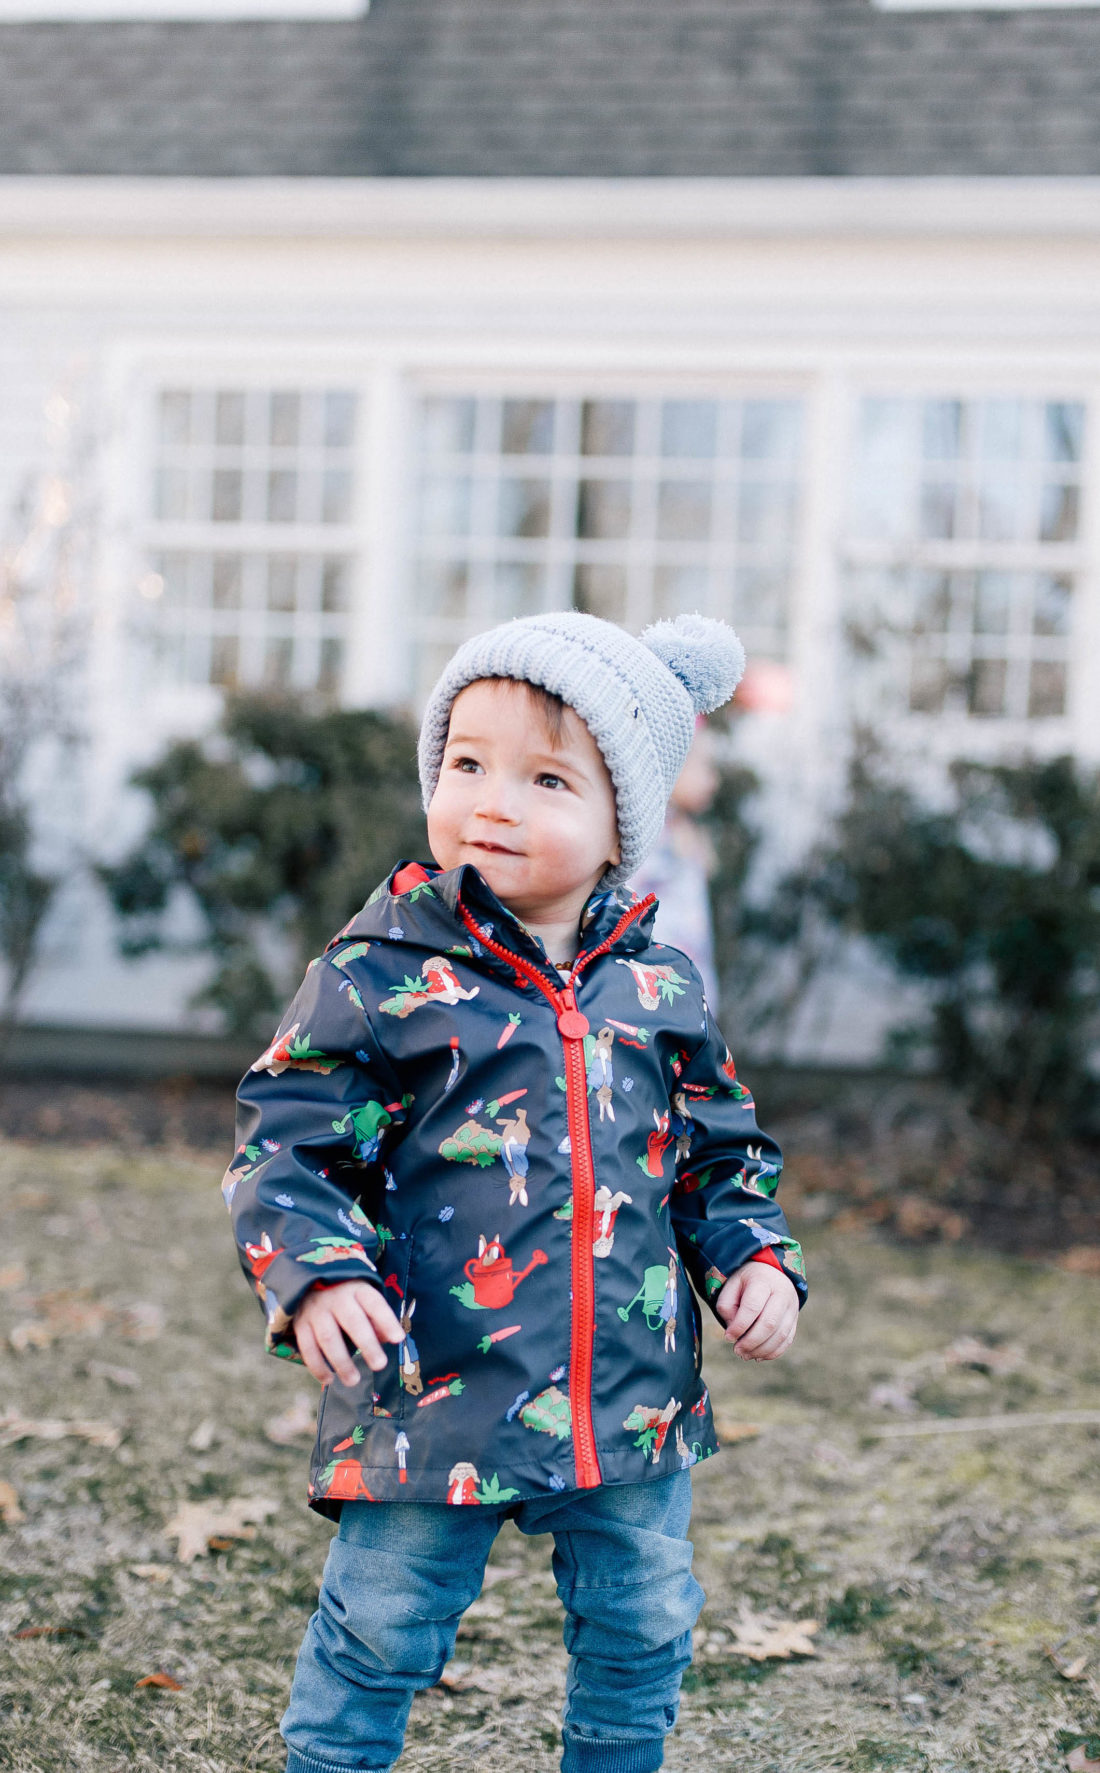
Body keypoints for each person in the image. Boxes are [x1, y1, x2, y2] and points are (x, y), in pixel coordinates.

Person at [223, 609, 806, 1773]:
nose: (491, 799)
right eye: (465, 763)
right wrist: (315, 1274)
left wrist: (751, 1256)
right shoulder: (378, 972)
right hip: (429, 1387)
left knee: (641, 1626)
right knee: (381, 1630)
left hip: (627, 1401)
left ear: (616, 825)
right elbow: (286, 1138)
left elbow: (716, 1150)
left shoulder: (657, 987)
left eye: (545, 778)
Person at [629, 719, 721, 1010]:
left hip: (687, 979)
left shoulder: (683, 830)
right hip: (654, 983)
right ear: (672, 763)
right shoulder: (650, 833)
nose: (714, 780)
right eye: (704, 766)